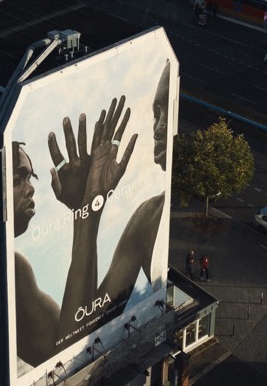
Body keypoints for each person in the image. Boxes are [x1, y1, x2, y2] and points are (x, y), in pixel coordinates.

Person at [14, 70, 170, 369]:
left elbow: (76, 340)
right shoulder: (146, 219)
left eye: (29, 176)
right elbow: (74, 344)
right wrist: (86, 208)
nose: (160, 125)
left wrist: (87, 207)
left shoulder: (147, 218)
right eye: (154, 111)